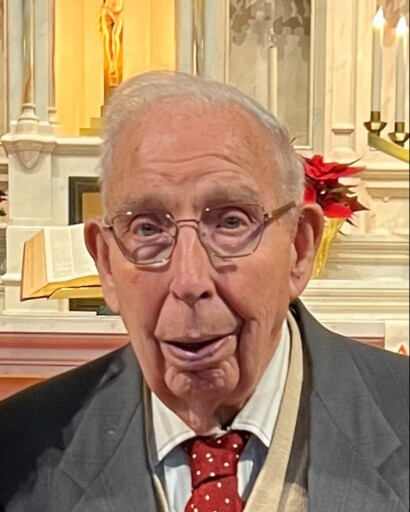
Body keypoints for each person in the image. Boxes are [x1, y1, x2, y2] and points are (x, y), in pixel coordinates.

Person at [0, 71, 408, 512]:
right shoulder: (15, 451)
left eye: (231, 222)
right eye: (148, 229)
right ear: (107, 266)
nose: (190, 281)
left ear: (299, 247)